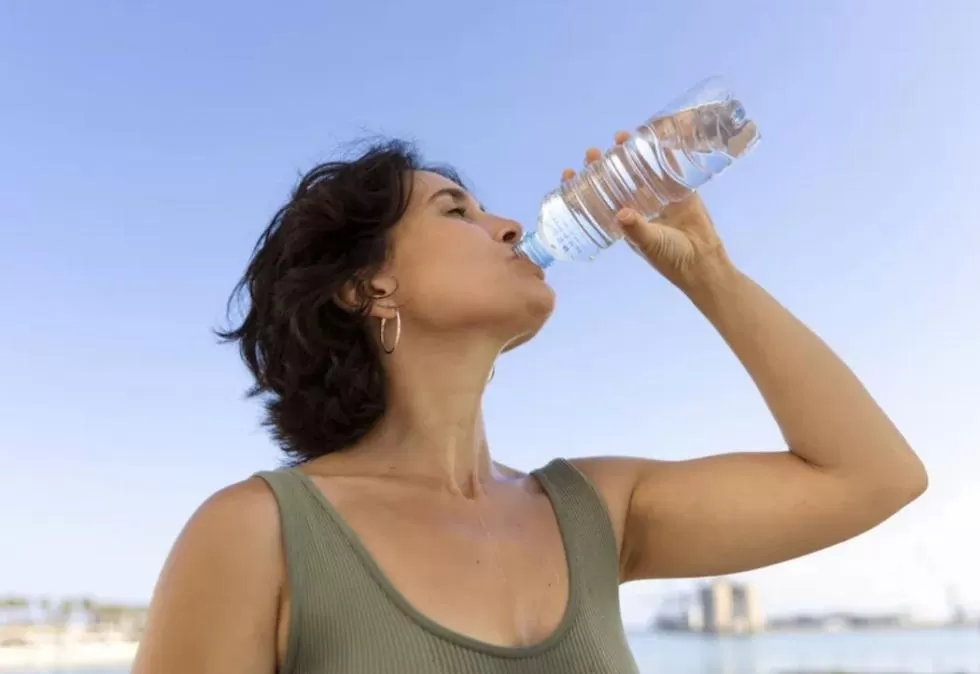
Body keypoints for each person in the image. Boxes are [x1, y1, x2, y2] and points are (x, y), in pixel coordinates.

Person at [132, 133, 927, 674]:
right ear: (368, 284)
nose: (510, 226)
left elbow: (873, 475)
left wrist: (709, 272)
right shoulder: (257, 532)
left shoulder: (594, 510)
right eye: (458, 211)